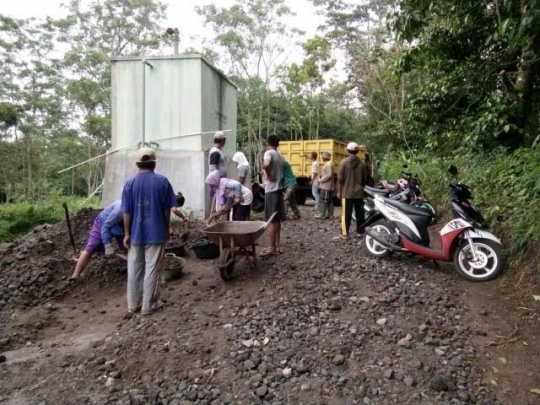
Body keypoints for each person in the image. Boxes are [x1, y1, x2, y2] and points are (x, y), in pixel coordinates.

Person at [122, 147, 176, 315]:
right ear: (154, 163)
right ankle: (148, 305)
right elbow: (167, 209)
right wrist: (166, 228)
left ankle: (133, 305)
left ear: (138, 164)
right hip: (156, 232)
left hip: (136, 234)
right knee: (152, 269)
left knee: (134, 268)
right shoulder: (163, 182)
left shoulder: (129, 184)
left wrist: (126, 233)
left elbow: (126, 211)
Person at [68, 200, 125, 281]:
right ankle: (75, 275)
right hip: (103, 224)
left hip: (120, 229)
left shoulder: (137, 210)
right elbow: (105, 228)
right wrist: (107, 245)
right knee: (92, 246)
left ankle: (131, 266)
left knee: (127, 246)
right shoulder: (119, 210)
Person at [337, 142, 368, 240]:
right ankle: (360, 232)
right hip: (359, 193)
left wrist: (339, 192)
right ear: (357, 151)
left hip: (347, 193)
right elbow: (365, 179)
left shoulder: (343, 163)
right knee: (360, 214)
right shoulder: (363, 164)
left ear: (348, 151)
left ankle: (345, 234)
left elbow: (340, 180)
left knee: (346, 214)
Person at [261, 134, 285, 256]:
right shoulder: (281, 155)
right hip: (279, 189)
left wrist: (268, 174)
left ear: (267, 143)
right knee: (277, 220)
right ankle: (277, 246)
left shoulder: (268, 153)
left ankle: (271, 247)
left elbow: (266, 164)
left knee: (271, 220)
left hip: (271, 190)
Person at [315, 151, 334, 219]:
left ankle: (322, 214)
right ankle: (330, 214)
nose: (322, 158)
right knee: (329, 200)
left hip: (326, 186)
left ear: (325, 157)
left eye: (322, 156)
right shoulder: (329, 163)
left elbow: (328, 175)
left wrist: (320, 180)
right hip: (328, 186)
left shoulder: (328, 164)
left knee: (324, 199)